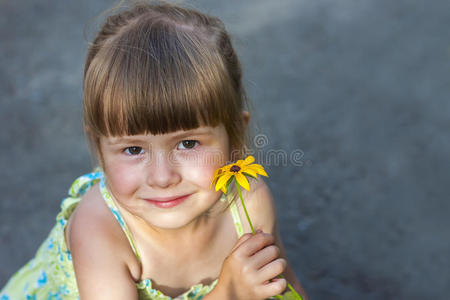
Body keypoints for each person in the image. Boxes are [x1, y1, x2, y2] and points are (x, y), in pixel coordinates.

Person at [0, 1, 308, 299]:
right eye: (133, 149)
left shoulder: (249, 205)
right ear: (98, 147)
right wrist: (228, 293)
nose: (162, 178)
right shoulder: (100, 230)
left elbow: (284, 285)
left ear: (236, 137)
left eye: (188, 143)